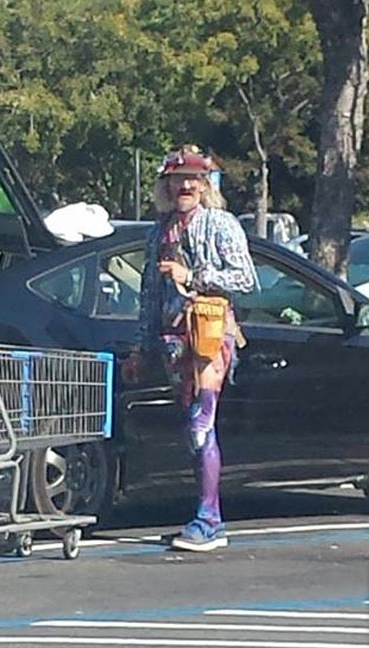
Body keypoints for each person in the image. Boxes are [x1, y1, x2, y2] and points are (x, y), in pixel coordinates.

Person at [129, 144, 258, 552]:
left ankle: (208, 520)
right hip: (173, 344)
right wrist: (140, 347)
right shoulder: (159, 232)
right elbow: (149, 294)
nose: (185, 186)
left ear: (204, 185)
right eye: (177, 180)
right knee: (192, 430)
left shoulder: (220, 224)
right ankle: (207, 515)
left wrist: (193, 275)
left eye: (192, 180)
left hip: (210, 338)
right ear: (166, 186)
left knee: (202, 424)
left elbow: (245, 279)